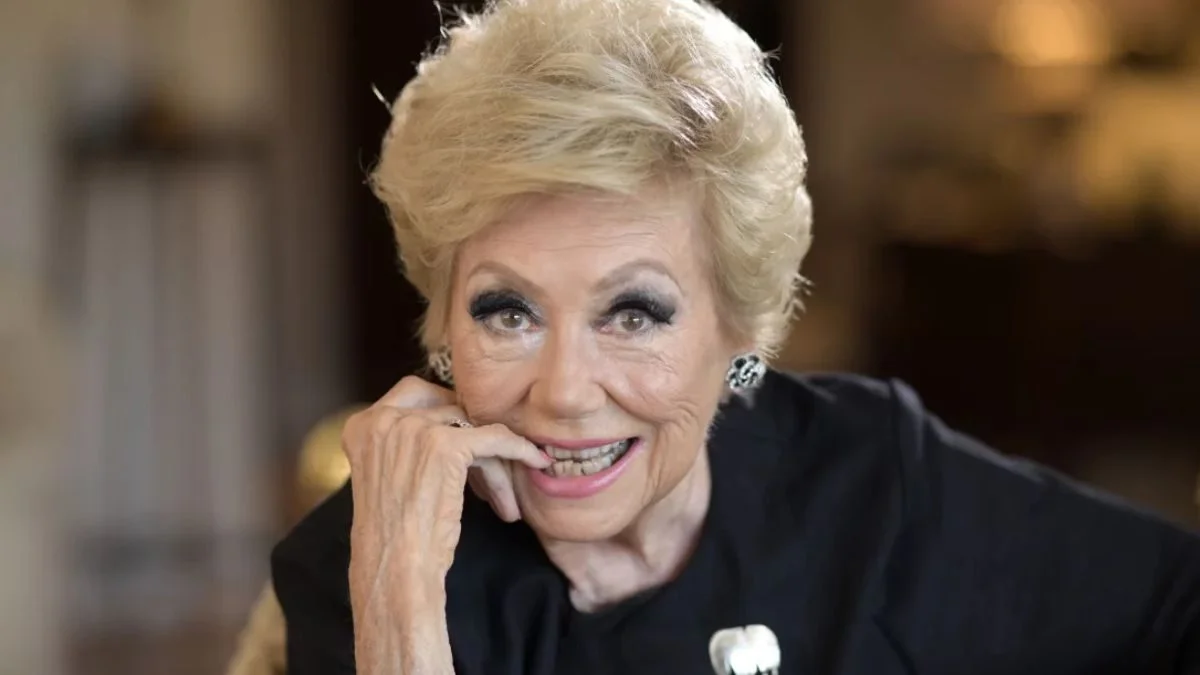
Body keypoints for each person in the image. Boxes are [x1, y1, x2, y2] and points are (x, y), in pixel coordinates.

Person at [270, 0, 1200, 673]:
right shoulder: (366, 564)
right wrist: (398, 609)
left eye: (634, 313)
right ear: (443, 328)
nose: (563, 392)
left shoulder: (871, 481)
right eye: (508, 312)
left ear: (740, 330)